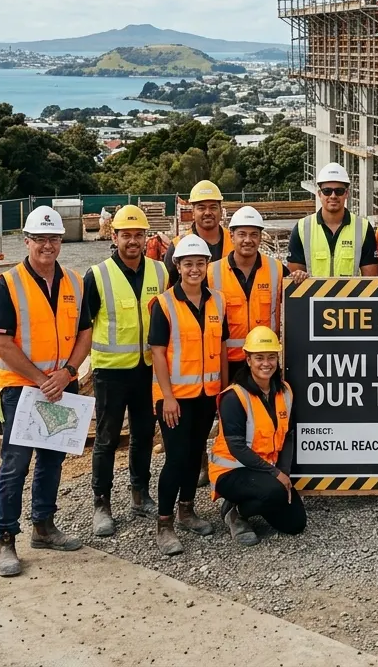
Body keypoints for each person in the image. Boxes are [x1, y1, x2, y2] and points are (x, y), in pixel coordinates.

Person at [0, 206, 91, 577]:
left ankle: (43, 527)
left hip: (61, 387)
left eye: (54, 238)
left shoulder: (76, 284)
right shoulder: (8, 284)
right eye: (40, 239)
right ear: (27, 241)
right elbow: (2, 345)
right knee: (15, 464)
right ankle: (5, 538)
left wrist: (66, 373)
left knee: (52, 459)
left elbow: (85, 335)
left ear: (61, 241)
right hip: (21, 389)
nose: (47, 245)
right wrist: (39, 378)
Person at [80, 205, 166, 538]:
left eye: (138, 235)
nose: (132, 241)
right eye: (126, 235)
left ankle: (139, 493)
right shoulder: (98, 275)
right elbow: (84, 327)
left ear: (146, 238)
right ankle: (101, 502)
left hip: (146, 371)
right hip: (111, 373)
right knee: (106, 438)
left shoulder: (160, 273)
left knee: (144, 433)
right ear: (113, 237)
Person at [148, 233, 228, 556]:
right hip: (175, 399)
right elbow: (157, 352)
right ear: (178, 266)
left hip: (207, 395)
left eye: (200, 263)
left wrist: (223, 392)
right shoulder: (165, 305)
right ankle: (164, 523)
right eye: (188, 264)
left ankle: (187, 510)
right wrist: (167, 397)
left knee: (196, 455)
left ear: (207, 265)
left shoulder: (217, 301)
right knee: (177, 459)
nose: (194, 269)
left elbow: (221, 348)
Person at [209, 326, 305, 544]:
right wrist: (276, 475)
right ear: (248, 359)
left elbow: (288, 435)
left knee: (295, 524)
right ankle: (236, 513)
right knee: (276, 492)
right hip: (231, 472)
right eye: (259, 357)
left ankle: (249, 502)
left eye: (271, 357)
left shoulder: (285, 391)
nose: (266, 363)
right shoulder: (235, 397)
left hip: (264, 472)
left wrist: (283, 471)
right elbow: (237, 447)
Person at [208, 206, 287, 365]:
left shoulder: (277, 269)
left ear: (260, 238)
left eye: (254, 235)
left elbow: (297, 300)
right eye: (242, 234)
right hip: (227, 360)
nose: (248, 240)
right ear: (232, 236)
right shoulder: (211, 272)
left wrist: (300, 277)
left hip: (264, 360)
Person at [287, 163, 378, 278]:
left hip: (351, 295)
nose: (333, 196)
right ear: (319, 194)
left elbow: (370, 279)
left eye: (339, 191)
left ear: (346, 193)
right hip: (314, 295)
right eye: (327, 191)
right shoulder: (302, 228)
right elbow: (295, 278)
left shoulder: (363, 228)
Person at [165, 179, 230, 288]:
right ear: (193, 213)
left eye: (213, 207)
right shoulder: (178, 246)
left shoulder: (234, 242)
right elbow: (169, 289)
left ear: (220, 211)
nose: (208, 212)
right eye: (201, 208)